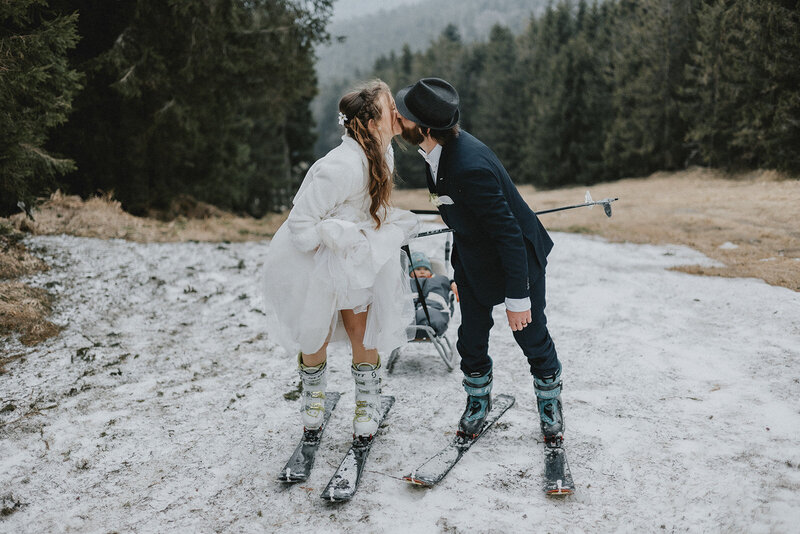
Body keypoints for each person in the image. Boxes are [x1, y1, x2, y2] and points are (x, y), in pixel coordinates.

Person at [394, 77, 565, 446]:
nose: (399, 119)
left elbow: (508, 236)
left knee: (531, 335)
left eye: (404, 116)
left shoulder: (469, 165)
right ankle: (477, 401)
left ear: (424, 128)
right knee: (471, 338)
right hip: (473, 259)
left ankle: (550, 405)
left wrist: (518, 299)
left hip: (519, 258)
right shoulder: (436, 152)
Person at [263, 79, 419, 440]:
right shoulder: (341, 167)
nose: (396, 111)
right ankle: (313, 398)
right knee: (314, 330)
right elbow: (301, 226)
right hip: (314, 258)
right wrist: (339, 235)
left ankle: (367, 399)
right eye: (388, 107)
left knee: (362, 331)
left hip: (357, 256)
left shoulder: (383, 151)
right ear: (368, 123)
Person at [407, 251, 456, 338]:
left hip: (435, 309)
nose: (422, 272)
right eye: (418, 269)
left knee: (431, 315)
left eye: (426, 269)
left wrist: (452, 283)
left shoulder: (439, 280)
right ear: (410, 272)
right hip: (411, 312)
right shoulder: (407, 283)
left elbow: (445, 283)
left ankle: (424, 318)